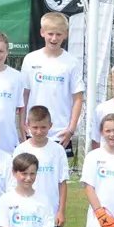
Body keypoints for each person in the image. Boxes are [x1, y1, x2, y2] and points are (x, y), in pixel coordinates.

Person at [12, 105, 70, 227]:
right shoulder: (21, 149)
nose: (39, 131)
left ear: (50, 126)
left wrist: (61, 210)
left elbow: (62, 182)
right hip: (26, 209)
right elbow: (14, 180)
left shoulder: (57, 150)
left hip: (50, 209)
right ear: (27, 125)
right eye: (35, 127)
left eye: (43, 127)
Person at [21, 11, 84, 151]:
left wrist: (71, 130)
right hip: (33, 130)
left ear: (66, 34)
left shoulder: (72, 62)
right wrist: (22, 125)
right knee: (30, 171)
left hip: (61, 133)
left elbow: (78, 98)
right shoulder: (30, 59)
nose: (54, 38)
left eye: (58, 34)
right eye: (50, 34)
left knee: (56, 171)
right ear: (42, 32)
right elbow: (24, 95)